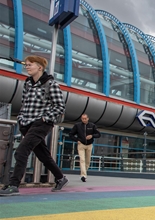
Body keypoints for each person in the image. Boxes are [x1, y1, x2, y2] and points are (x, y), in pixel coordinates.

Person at [0, 55, 68, 196]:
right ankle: (61, 178)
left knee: (21, 152)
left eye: (30, 64)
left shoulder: (51, 84)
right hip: (26, 123)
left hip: (41, 124)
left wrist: (44, 119)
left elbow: (60, 107)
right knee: (42, 155)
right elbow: (24, 103)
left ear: (40, 67)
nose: (27, 67)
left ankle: (13, 185)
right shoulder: (27, 83)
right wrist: (20, 118)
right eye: (27, 65)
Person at [69, 113, 101, 182]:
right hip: (81, 145)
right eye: (82, 119)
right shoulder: (77, 125)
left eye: (85, 119)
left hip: (89, 145)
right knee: (82, 160)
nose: (84, 120)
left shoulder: (92, 125)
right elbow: (71, 134)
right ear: (81, 119)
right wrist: (76, 140)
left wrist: (92, 136)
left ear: (88, 118)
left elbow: (98, 134)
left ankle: (84, 173)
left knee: (87, 161)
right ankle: (83, 175)